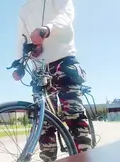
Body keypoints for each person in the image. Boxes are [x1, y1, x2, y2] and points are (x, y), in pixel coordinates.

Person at [14, 0, 92, 161]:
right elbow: (21, 38)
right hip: (39, 70)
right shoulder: (24, 9)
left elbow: (66, 14)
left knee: (73, 115)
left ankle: (85, 157)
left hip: (63, 61)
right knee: (43, 124)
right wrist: (20, 64)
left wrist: (46, 29)